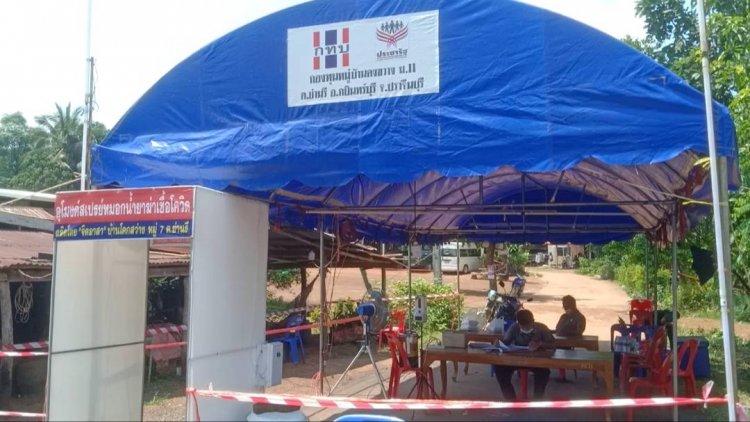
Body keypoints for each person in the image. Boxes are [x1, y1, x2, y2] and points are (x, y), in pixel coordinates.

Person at [493, 309, 555, 401]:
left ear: (533, 321)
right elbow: (506, 341)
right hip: (517, 360)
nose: (526, 329)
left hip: (536, 361)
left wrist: (540, 344)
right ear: (518, 323)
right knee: (499, 368)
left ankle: (537, 399)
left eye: (528, 326)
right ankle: (511, 399)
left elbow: (553, 344)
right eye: (523, 326)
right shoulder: (514, 328)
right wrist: (499, 343)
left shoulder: (541, 328)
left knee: (544, 372)